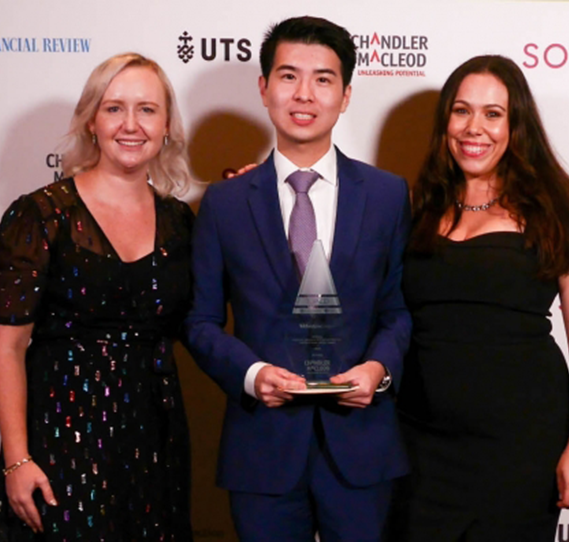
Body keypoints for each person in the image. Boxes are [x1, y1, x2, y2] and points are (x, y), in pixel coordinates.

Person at [185, 16, 411, 542]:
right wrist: (252, 373)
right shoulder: (223, 203)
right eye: (288, 76)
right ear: (263, 89)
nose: (304, 94)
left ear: (346, 94)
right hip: (262, 450)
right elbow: (199, 321)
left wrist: (378, 368)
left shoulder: (387, 195)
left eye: (323, 79)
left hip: (362, 447)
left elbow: (399, 309)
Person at [390, 55, 569, 541]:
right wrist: (266, 186)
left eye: (493, 113)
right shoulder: (412, 207)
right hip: (420, 444)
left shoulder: (555, 214)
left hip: (521, 449)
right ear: (445, 120)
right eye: (461, 110)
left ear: (516, 125)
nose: (474, 128)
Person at [0, 52, 195, 541]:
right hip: (60, 440)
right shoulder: (39, 215)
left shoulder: (182, 222)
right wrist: (18, 458)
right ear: (91, 122)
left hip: (153, 439)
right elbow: (7, 348)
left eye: (147, 109)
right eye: (114, 108)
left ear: (167, 125)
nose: (131, 124)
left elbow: (203, 322)